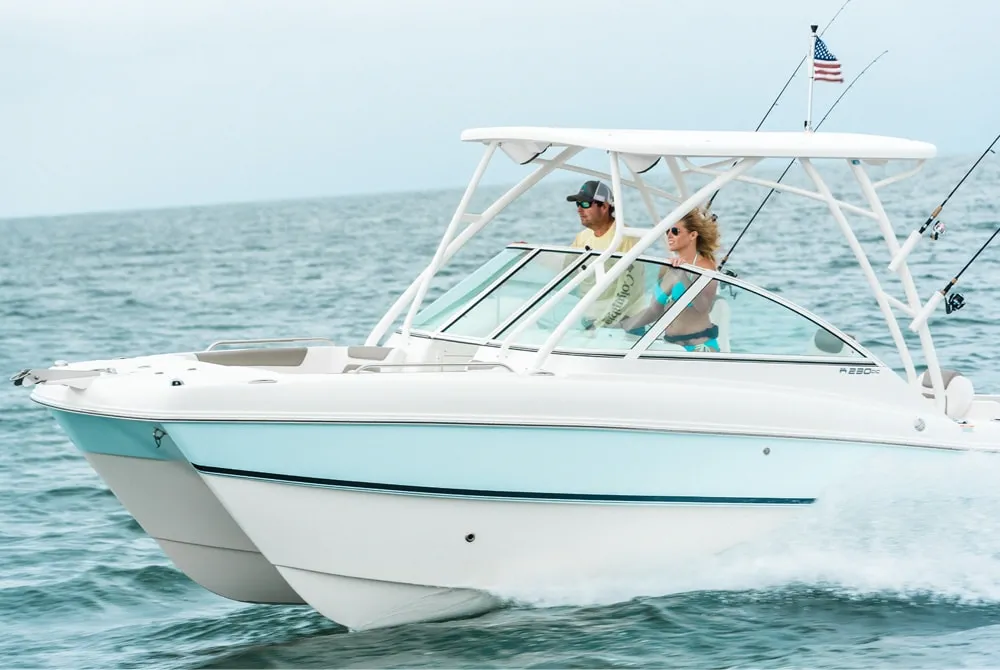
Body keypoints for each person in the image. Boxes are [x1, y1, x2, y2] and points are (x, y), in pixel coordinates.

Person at [620, 207, 721, 351]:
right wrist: (622, 324)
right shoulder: (666, 267)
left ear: (693, 235)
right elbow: (654, 310)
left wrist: (682, 274)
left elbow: (703, 307)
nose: (669, 235)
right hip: (671, 347)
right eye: (667, 231)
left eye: (675, 231)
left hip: (700, 347)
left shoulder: (706, 267)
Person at [564, 180, 646, 329]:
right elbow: (566, 272)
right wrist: (529, 254)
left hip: (623, 324)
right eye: (578, 204)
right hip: (590, 321)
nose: (579, 210)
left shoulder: (625, 238)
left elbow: (628, 291)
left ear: (604, 207)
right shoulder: (581, 237)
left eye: (585, 204)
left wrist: (602, 324)